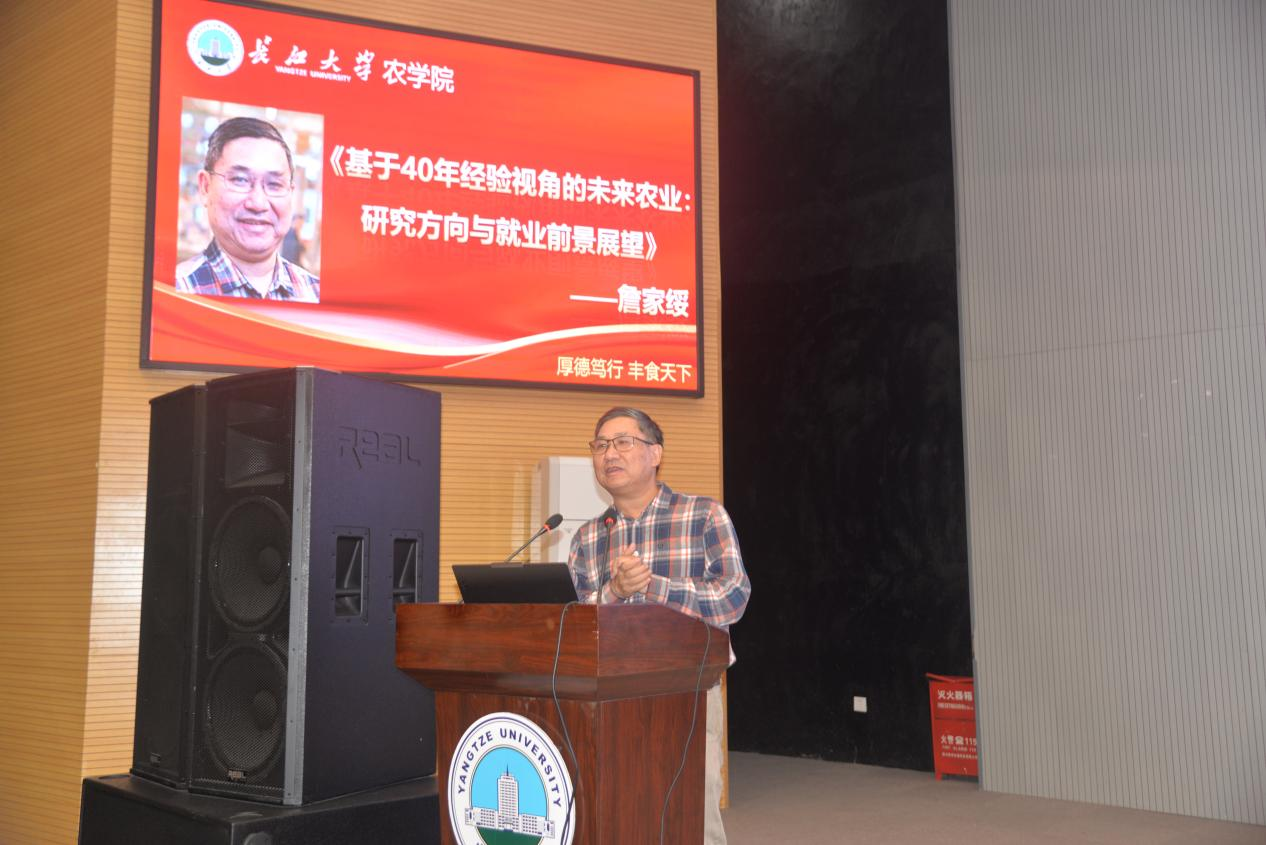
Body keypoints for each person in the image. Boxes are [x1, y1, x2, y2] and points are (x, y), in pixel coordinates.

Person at [568, 407, 751, 845]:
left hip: (688, 688)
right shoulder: (588, 538)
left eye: (623, 442)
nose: (609, 454)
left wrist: (654, 586)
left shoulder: (703, 515)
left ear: (655, 454)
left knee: (691, 813)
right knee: (619, 811)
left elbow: (733, 597)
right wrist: (614, 591)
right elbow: (576, 624)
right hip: (609, 695)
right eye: (600, 445)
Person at [175, 116, 320, 302]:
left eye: (275, 184)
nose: (258, 203)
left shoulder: (315, 294)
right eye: (240, 180)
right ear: (205, 187)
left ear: (290, 193)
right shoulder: (175, 293)